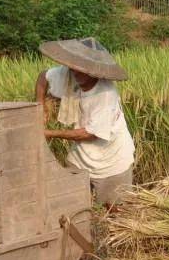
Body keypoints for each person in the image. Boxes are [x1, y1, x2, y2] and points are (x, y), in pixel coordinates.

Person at [35, 37, 135, 210]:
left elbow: (88, 134)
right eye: (75, 68)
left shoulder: (105, 94)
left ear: (94, 71)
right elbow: (43, 76)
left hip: (111, 161)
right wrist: (40, 107)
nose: (77, 73)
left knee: (114, 210)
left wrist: (49, 133)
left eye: (83, 71)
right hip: (80, 157)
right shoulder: (70, 73)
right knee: (73, 204)